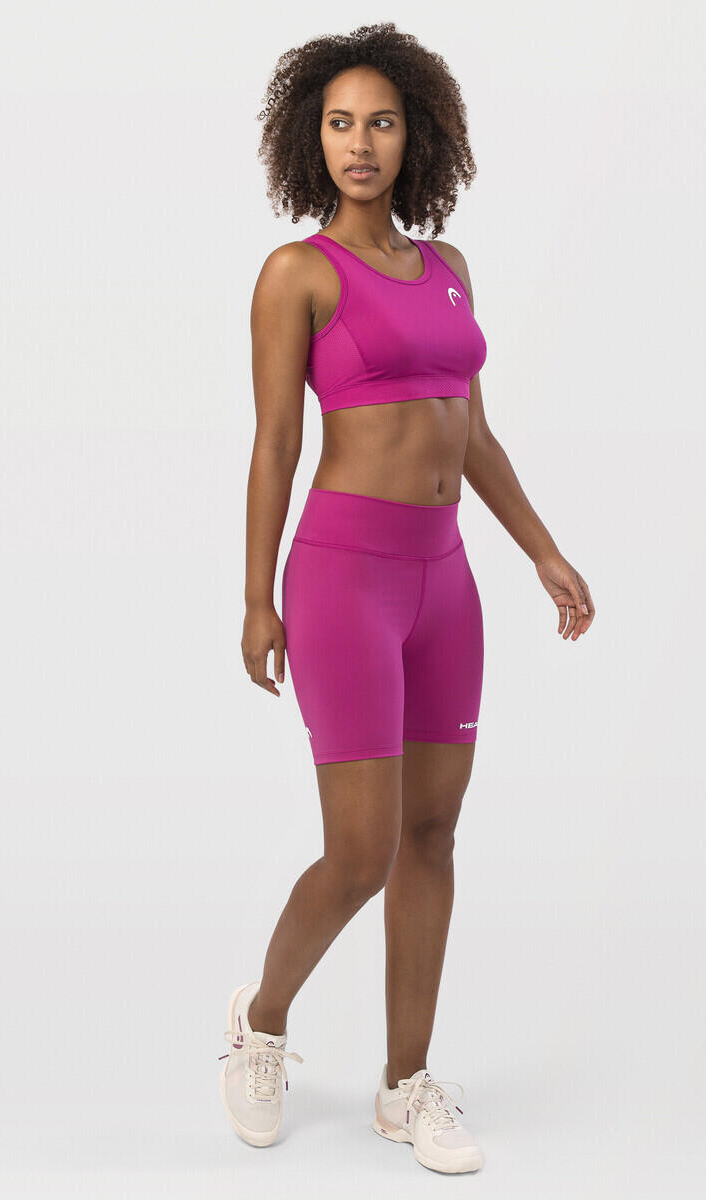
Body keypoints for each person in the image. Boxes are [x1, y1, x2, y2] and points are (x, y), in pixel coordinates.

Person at [221, 23, 594, 1174]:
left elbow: (469, 433)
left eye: (380, 121)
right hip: (344, 578)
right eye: (339, 123)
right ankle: (261, 1024)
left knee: (433, 833)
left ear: (414, 135)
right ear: (311, 139)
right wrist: (256, 598)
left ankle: (406, 1083)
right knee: (361, 852)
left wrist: (541, 550)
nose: (360, 143)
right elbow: (275, 442)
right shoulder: (297, 274)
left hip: (445, 582)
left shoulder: (449, 269)